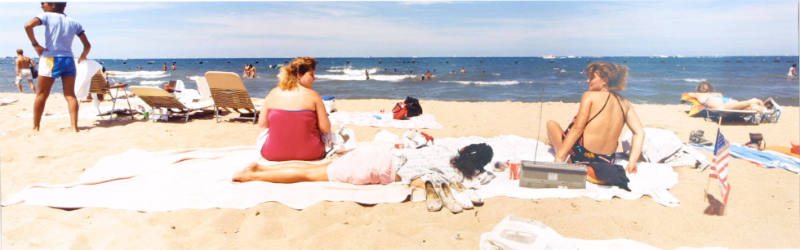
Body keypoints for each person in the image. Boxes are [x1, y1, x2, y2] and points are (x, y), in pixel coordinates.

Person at [546, 62, 644, 173]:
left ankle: (552, 143)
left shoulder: (589, 96)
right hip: (606, 161)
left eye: (592, 78)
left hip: (581, 158)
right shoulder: (625, 103)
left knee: (551, 124)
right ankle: (552, 142)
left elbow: (577, 129)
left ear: (605, 80)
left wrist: (560, 157)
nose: (588, 81)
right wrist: (632, 163)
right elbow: (639, 133)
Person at [25, 2, 91, 133]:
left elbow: (28, 26)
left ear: (52, 5)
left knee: (42, 94)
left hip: (51, 58)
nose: (42, 6)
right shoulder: (74, 22)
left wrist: (35, 45)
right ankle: (74, 127)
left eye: (43, 3)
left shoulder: (47, 16)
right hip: (68, 59)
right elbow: (87, 45)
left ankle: (36, 127)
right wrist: (83, 56)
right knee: (70, 95)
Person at [254, 57, 331, 161]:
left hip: (272, 153)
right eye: (311, 74)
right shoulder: (314, 96)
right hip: (312, 153)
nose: (314, 78)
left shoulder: (273, 93)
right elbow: (325, 128)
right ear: (299, 75)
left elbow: (263, 125)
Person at [684, 81, 768, 112]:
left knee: (725, 108)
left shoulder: (698, 94)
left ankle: (752, 101)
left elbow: (687, 95)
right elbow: (720, 95)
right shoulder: (716, 94)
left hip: (718, 103)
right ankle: (759, 108)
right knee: (740, 107)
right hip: (726, 100)